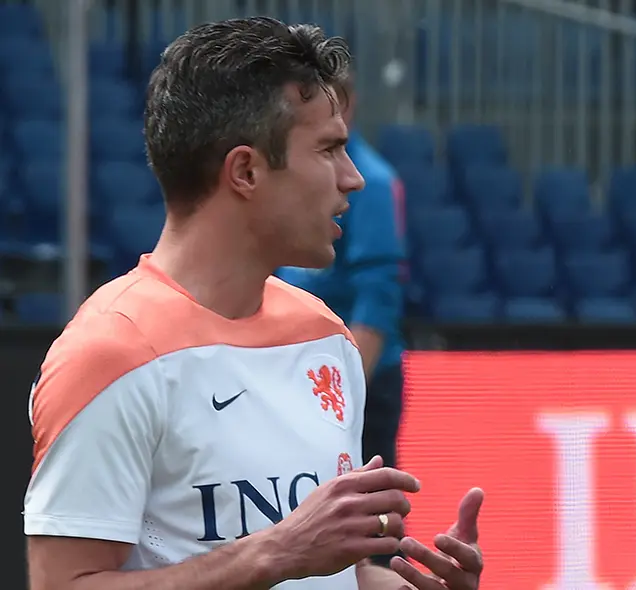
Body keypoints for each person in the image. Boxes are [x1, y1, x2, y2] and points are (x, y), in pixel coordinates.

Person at [23, 17, 483, 590]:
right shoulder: (110, 354)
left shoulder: (325, 337)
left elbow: (331, 574)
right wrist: (274, 552)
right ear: (245, 171)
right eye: (329, 149)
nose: (354, 179)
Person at [277, 68, 408, 571]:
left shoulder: (371, 183)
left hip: (352, 381)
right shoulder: (289, 176)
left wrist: (346, 393)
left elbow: (379, 296)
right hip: (303, 377)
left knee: (365, 523)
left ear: (345, 104)